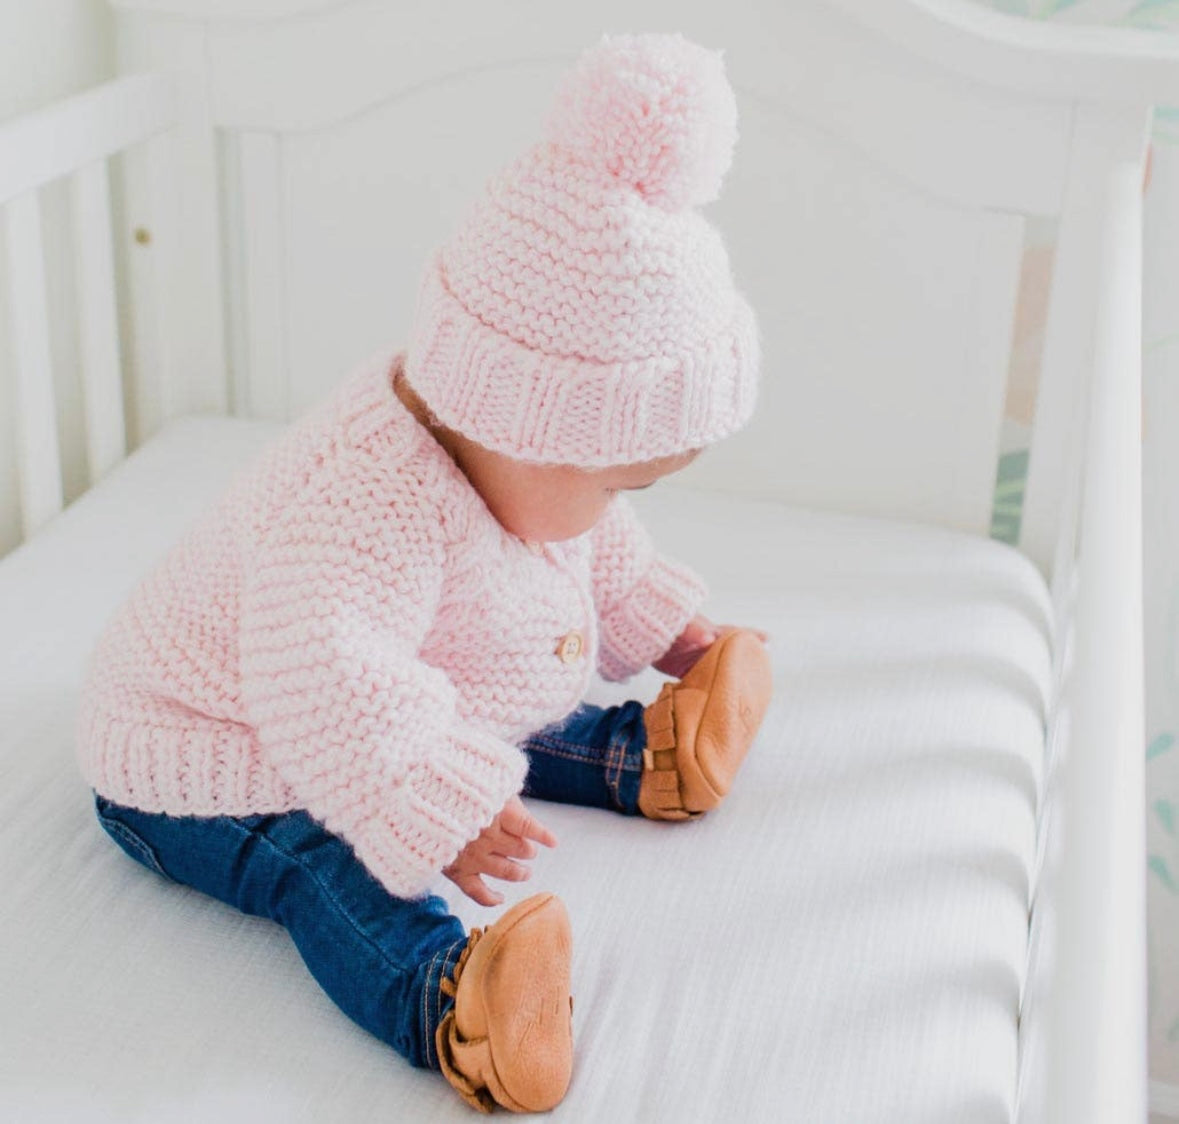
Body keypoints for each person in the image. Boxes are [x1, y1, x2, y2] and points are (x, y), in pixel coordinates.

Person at [76, 31, 771, 1114]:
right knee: (328, 862)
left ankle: (648, 752)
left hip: (333, 702)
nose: (613, 509)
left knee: (493, 700)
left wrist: (652, 621)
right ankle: (455, 999)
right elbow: (319, 666)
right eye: (615, 482)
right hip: (204, 749)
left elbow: (582, 538)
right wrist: (427, 802)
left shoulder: (511, 453)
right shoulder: (371, 504)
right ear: (531, 429)